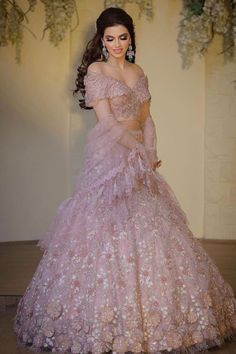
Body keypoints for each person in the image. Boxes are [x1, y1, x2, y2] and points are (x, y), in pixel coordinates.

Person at [14, 7, 236, 354]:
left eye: (122, 37)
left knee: (152, 221)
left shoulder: (138, 71)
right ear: (101, 41)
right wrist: (137, 150)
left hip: (138, 157)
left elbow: (147, 118)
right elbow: (106, 122)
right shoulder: (97, 70)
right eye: (110, 38)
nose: (117, 44)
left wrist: (150, 147)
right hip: (111, 158)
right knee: (105, 224)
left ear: (131, 38)